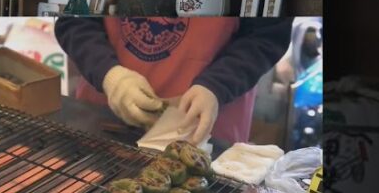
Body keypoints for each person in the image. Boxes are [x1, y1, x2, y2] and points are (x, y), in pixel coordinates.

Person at [55, 17, 291, 145]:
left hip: (202, 126)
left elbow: (266, 35)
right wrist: (109, 75)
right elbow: (74, 19)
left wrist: (216, 86)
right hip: (105, 118)